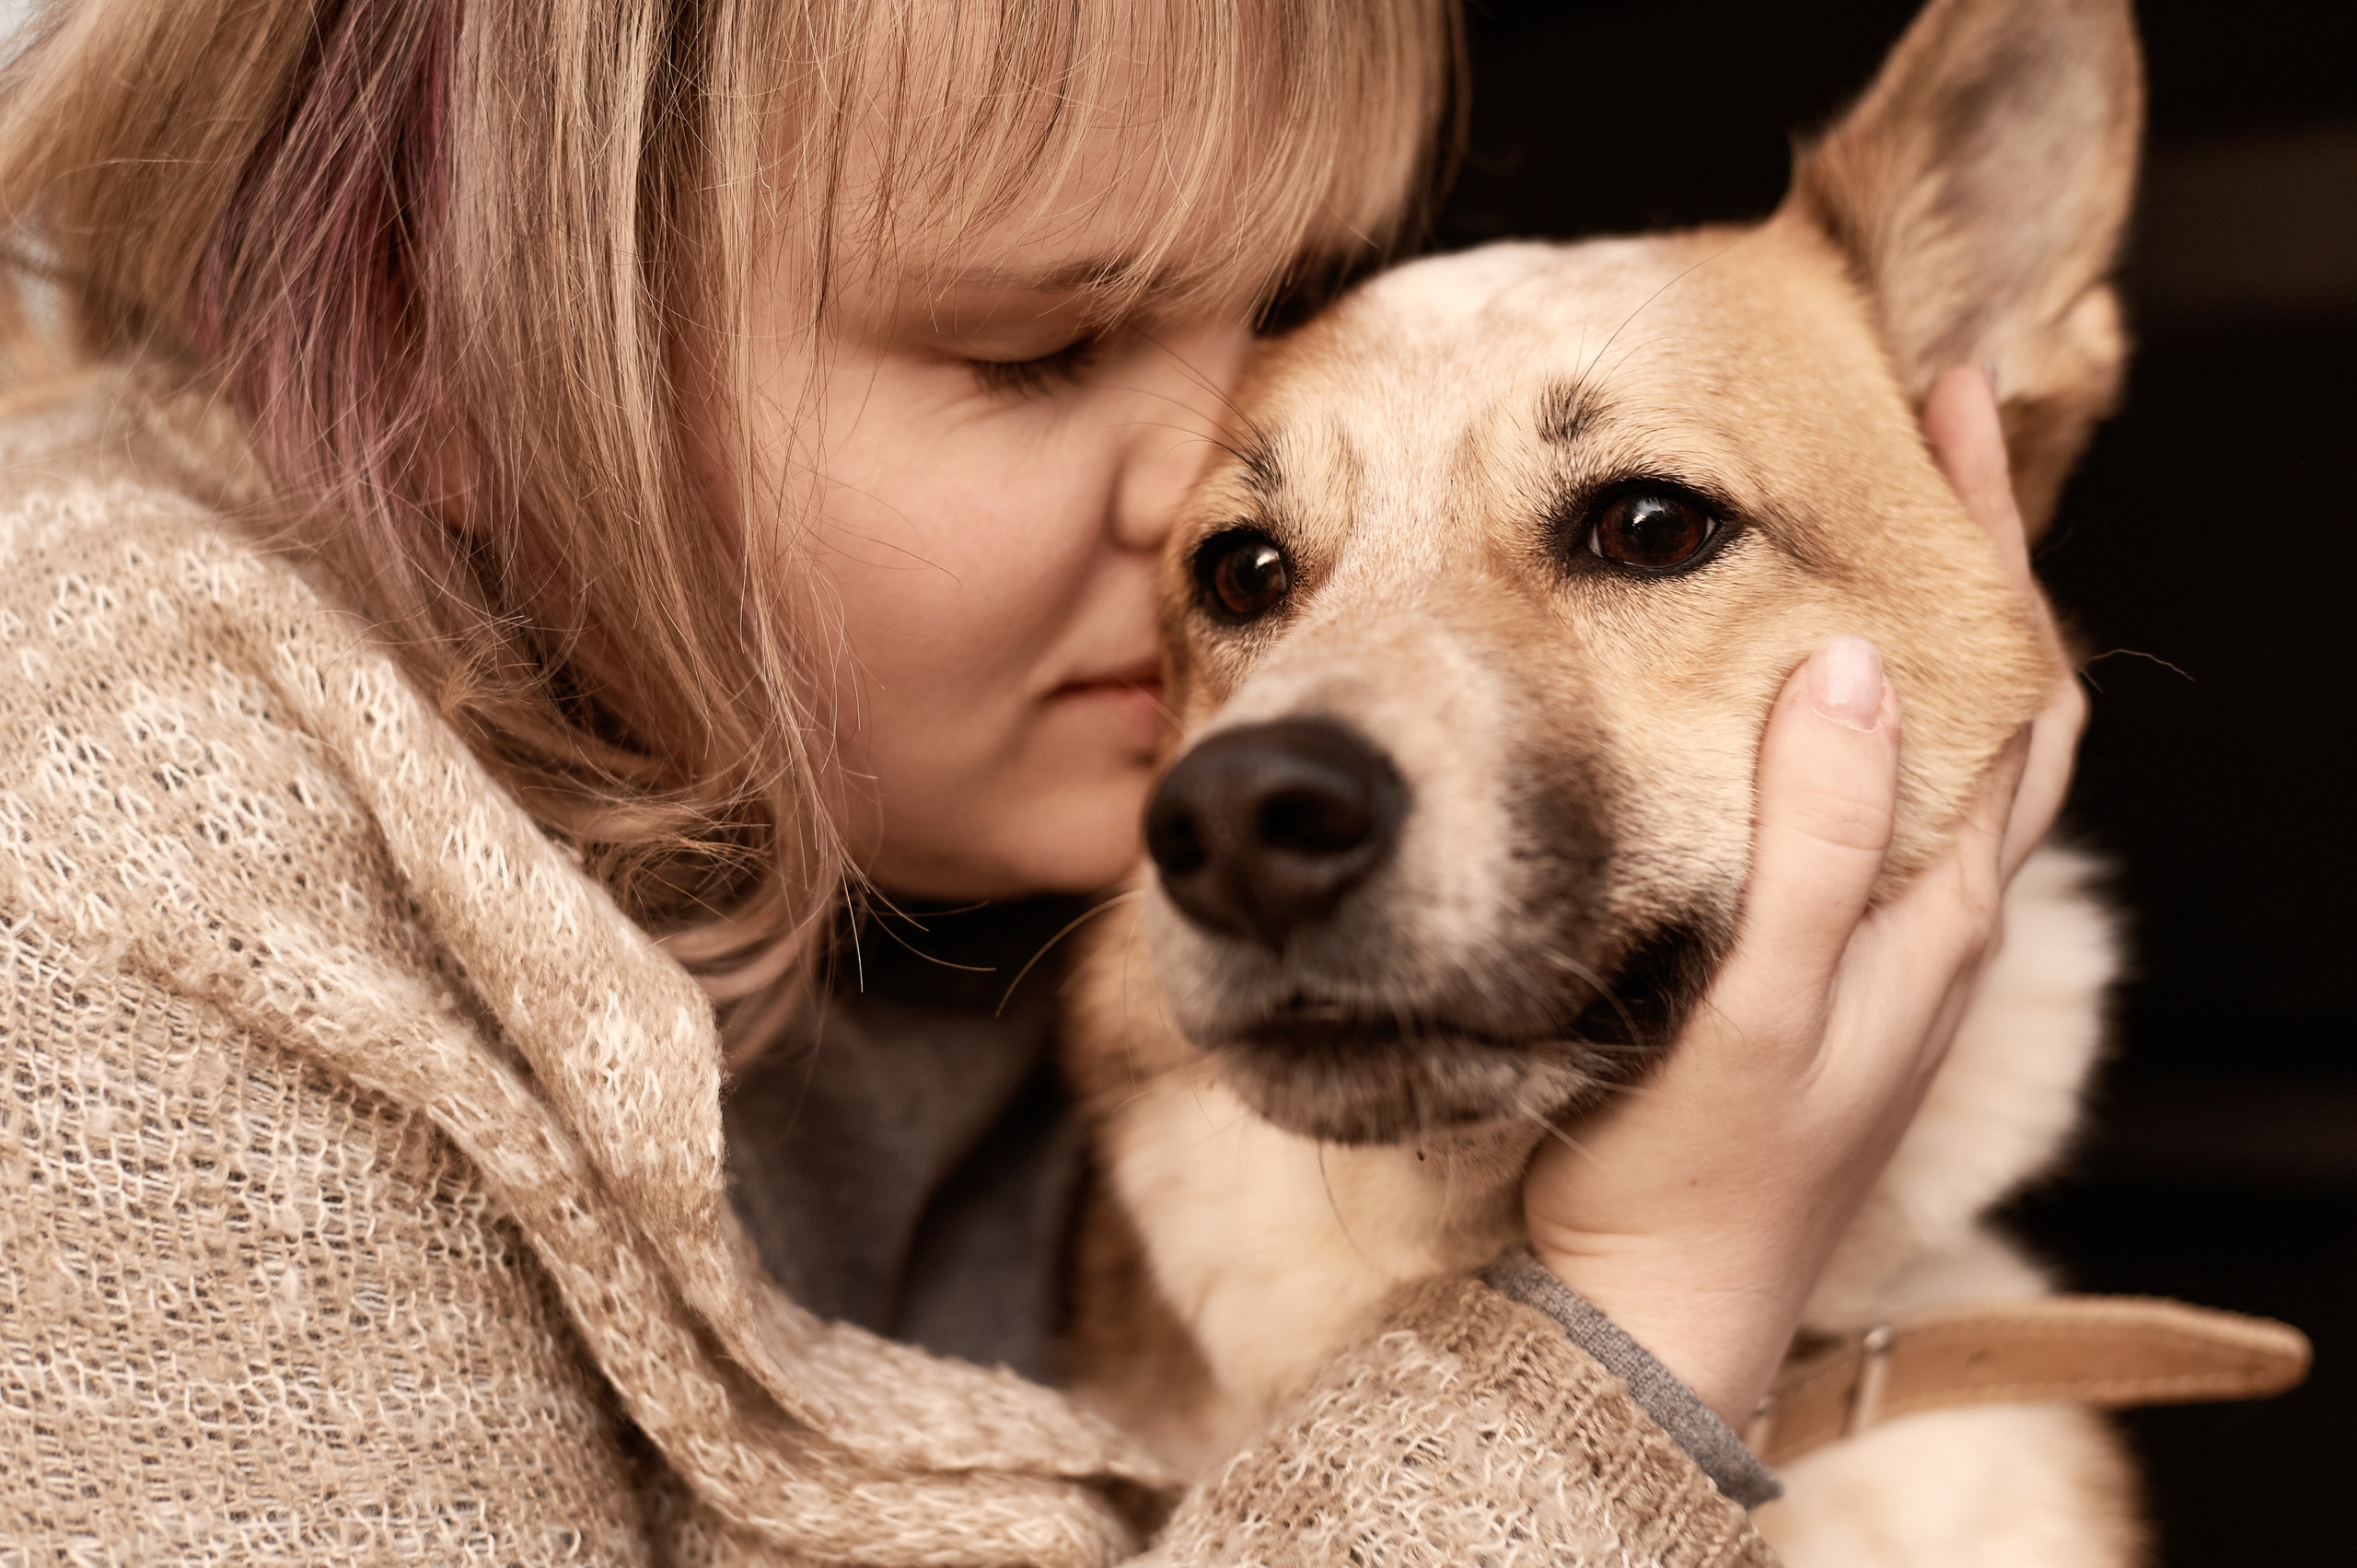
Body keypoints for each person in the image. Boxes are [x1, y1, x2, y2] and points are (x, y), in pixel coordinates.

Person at [0, 0, 2080, 1562]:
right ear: (438, 345)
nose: (1204, 497)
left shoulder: (907, 768)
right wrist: (1636, 1320)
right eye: (1035, 348)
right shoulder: (101, 851)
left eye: (1273, 310)